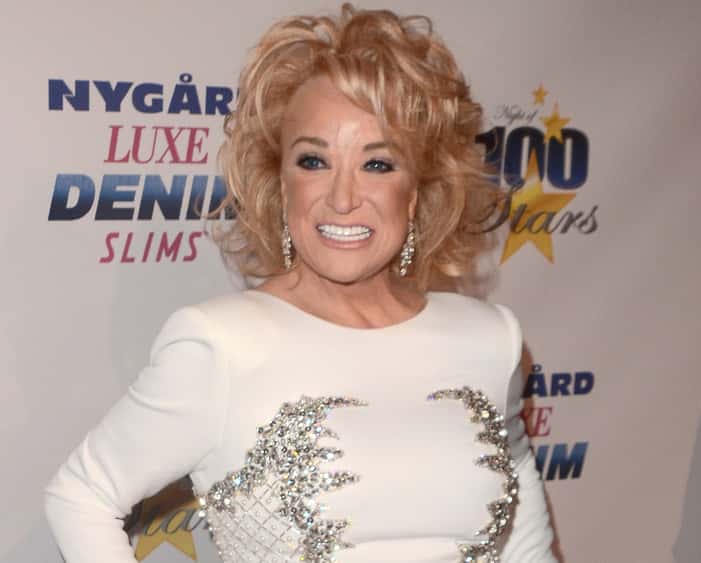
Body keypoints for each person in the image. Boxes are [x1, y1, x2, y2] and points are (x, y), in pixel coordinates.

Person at [44, 4, 559, 562]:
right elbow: (81, 495)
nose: (342, 197)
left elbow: (524, 534)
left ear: (415, 191)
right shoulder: (221, 344)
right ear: (280, 181)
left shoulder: (490, 338)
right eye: (314, 161)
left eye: (378, 164)